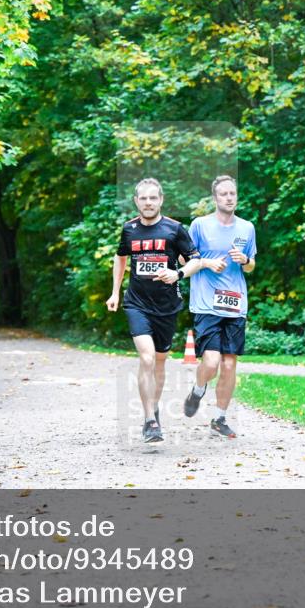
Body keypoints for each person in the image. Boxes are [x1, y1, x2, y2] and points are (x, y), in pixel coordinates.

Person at [106, 178, 206, 443]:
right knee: (147, 358)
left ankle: (154, 408)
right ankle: (150, 420)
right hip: (136, 302)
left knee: (160, 361)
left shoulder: (174, 229)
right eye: (143, 198)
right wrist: (115, 292)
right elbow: (120, 256)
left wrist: (178, 273)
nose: (148, 203)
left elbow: (197, 261)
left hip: (166, 306)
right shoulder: (129, 230)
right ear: (136, 201)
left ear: (160, 200)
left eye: (153, 198)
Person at [183, 175, 256, 438]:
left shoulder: (247, 228)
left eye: (232, 194)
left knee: (229, 364)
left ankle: (220, 418)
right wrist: (207, 262)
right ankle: (199, 389)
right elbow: (186, 260)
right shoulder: (200, 226)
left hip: (235, 303)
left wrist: (245, 259)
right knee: (211, 361)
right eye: (224, 194)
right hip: (206, 303)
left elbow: (251, 266)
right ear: (215, 199)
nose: (229, 198)